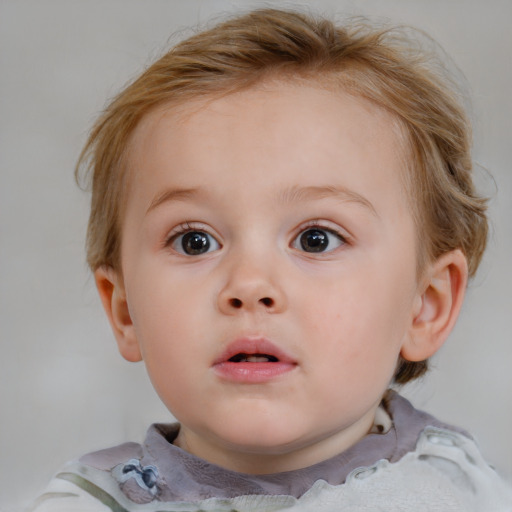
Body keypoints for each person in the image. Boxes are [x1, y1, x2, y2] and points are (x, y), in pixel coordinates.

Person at [29, 8, 512, 512]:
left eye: (317, 239)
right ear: (125, 308)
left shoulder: (460, 492)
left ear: (425, 306)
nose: (250, 284)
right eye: (194, 241)